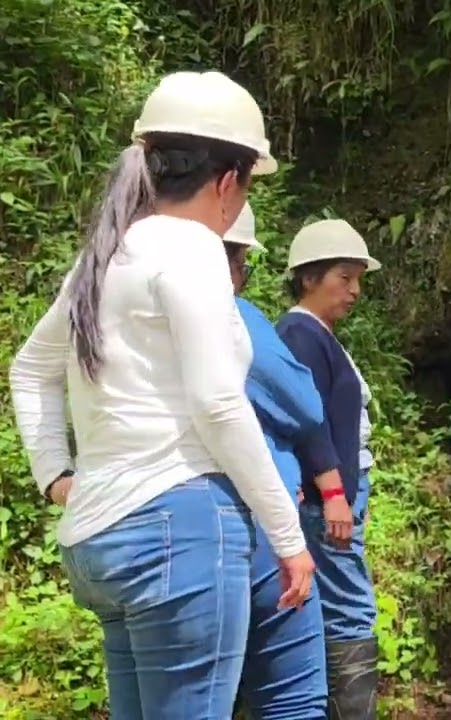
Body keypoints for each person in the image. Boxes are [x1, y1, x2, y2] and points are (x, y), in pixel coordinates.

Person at [7, 71, 313, 719]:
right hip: (182, 530)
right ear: (230, 180)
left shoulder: (107, 252)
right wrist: (289, 538)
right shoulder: (194, 246)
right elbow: (219, 404)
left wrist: (55, 475)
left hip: (100, 537)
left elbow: (30, 369)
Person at [222, 204, 330, 718]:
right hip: (256, 525)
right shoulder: (232, 314)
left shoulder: (115, 303)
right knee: (293, 698)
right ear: (234, 260)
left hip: (141, 528)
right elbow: (302, 404)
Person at [276, 219, 383, 719]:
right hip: (327, 501)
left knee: (333, 607)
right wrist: (333, 492)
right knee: (350, 610)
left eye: (359, 278)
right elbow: (306, 418)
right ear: (308, 277)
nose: (355, 290)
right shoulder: (299, 334)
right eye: (345, 277)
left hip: (334, 495)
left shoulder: (317, 335)